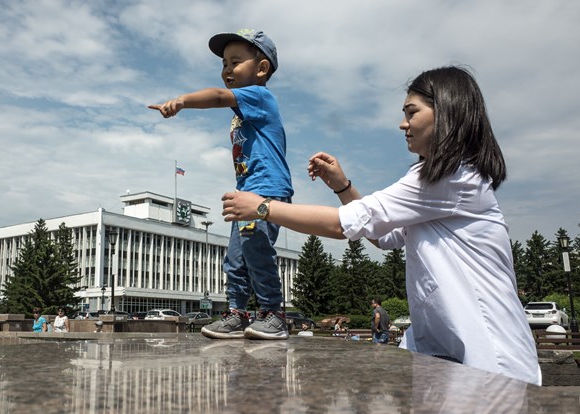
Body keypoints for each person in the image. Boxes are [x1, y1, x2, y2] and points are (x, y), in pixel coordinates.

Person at [221, 66, 541, 384]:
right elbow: (385, 236)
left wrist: (262, 207)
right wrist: (343, 187)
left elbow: (341, 225)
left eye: (412, 112)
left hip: (490, 362)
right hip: (454, 358)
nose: (403, 124)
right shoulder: (446, 179)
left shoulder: (452, 175)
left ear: (448, 113)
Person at [149, 29, 293, 340]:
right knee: (235, 256)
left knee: (256, 248)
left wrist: (182, 101)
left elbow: (216, 96)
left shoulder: (259, 95)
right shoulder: (243, 108)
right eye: (224, 63)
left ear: (262, 68)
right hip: (246, 192)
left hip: (266, 189)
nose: (227, 69)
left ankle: (273, 314)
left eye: (236, 62)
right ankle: (237, 313)